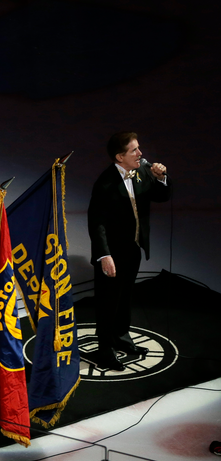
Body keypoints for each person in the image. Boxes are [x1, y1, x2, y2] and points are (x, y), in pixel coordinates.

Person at [87, 132, 170, 371]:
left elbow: (162, 196)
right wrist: (104, 255)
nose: (141, 154)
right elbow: (97, 222)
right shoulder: (105, 183)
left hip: (133, 247)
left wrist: (161, 177)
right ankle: (104, 349)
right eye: (134, 150)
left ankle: (121, 338)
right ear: (119, 157)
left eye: (139, 148)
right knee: (108, 301)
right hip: (112, 253)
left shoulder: (143, 171)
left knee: (124, 297)